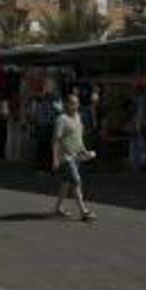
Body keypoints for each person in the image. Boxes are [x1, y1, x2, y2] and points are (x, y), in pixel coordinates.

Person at [52, 94, 96, 222]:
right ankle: (84, 212)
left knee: (66, 183)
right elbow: (55, 140)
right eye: (72, 103)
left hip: (76, 156)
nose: (75, 106)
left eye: (76, 103)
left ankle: (58, 208)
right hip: (66, 157)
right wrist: (55, 158)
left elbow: (78, 137)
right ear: (66, 104)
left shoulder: (78, 117)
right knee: (76, 181)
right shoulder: (61, 119)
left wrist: (85, 151)